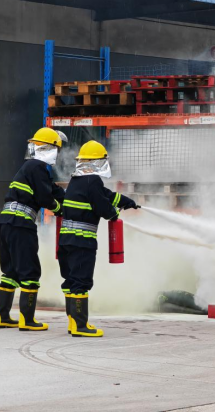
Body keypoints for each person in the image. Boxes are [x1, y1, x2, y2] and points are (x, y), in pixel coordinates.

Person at [58, 140, 138, 337]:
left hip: (67, 241)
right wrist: (113, 214)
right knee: (81, 281)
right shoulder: (92, 180)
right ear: (96, 162)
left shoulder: (77, 180)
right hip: (82, 241)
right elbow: (101, 205)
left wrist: (126, 201)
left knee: (71, 280)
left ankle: (72, 322)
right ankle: (81, 326)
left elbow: (104, 195)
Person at [0, 127, 66, 331]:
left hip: (6, 222)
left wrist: (70, 198)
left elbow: (52, 190)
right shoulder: (39, 167)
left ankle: (2, 317)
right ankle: (27, 320)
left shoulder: (29, 168)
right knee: (30, 272)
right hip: (21, 224)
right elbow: (45, 198)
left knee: (10, 272)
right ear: (50, 149)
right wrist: (60, 209)